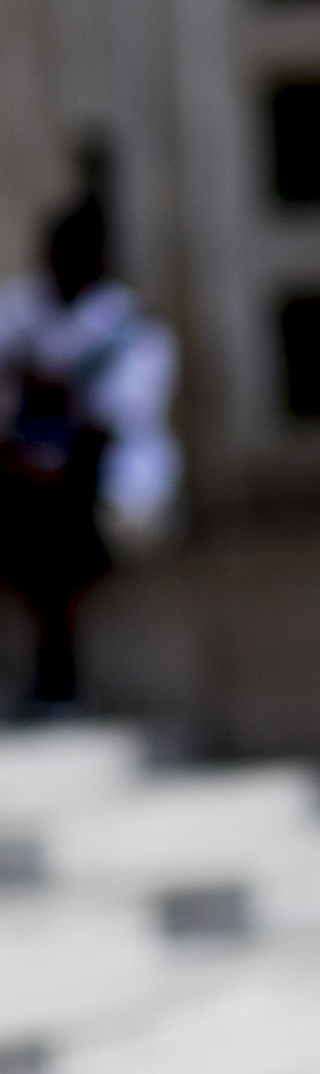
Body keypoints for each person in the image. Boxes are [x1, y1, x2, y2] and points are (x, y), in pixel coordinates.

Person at [0, 178, 181, 709]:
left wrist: (57, 407)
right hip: (21, 480)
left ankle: (58, 668)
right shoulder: (16, 314)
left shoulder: (133, 331)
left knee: (59, 531)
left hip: (99, 491)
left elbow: (120, 421)